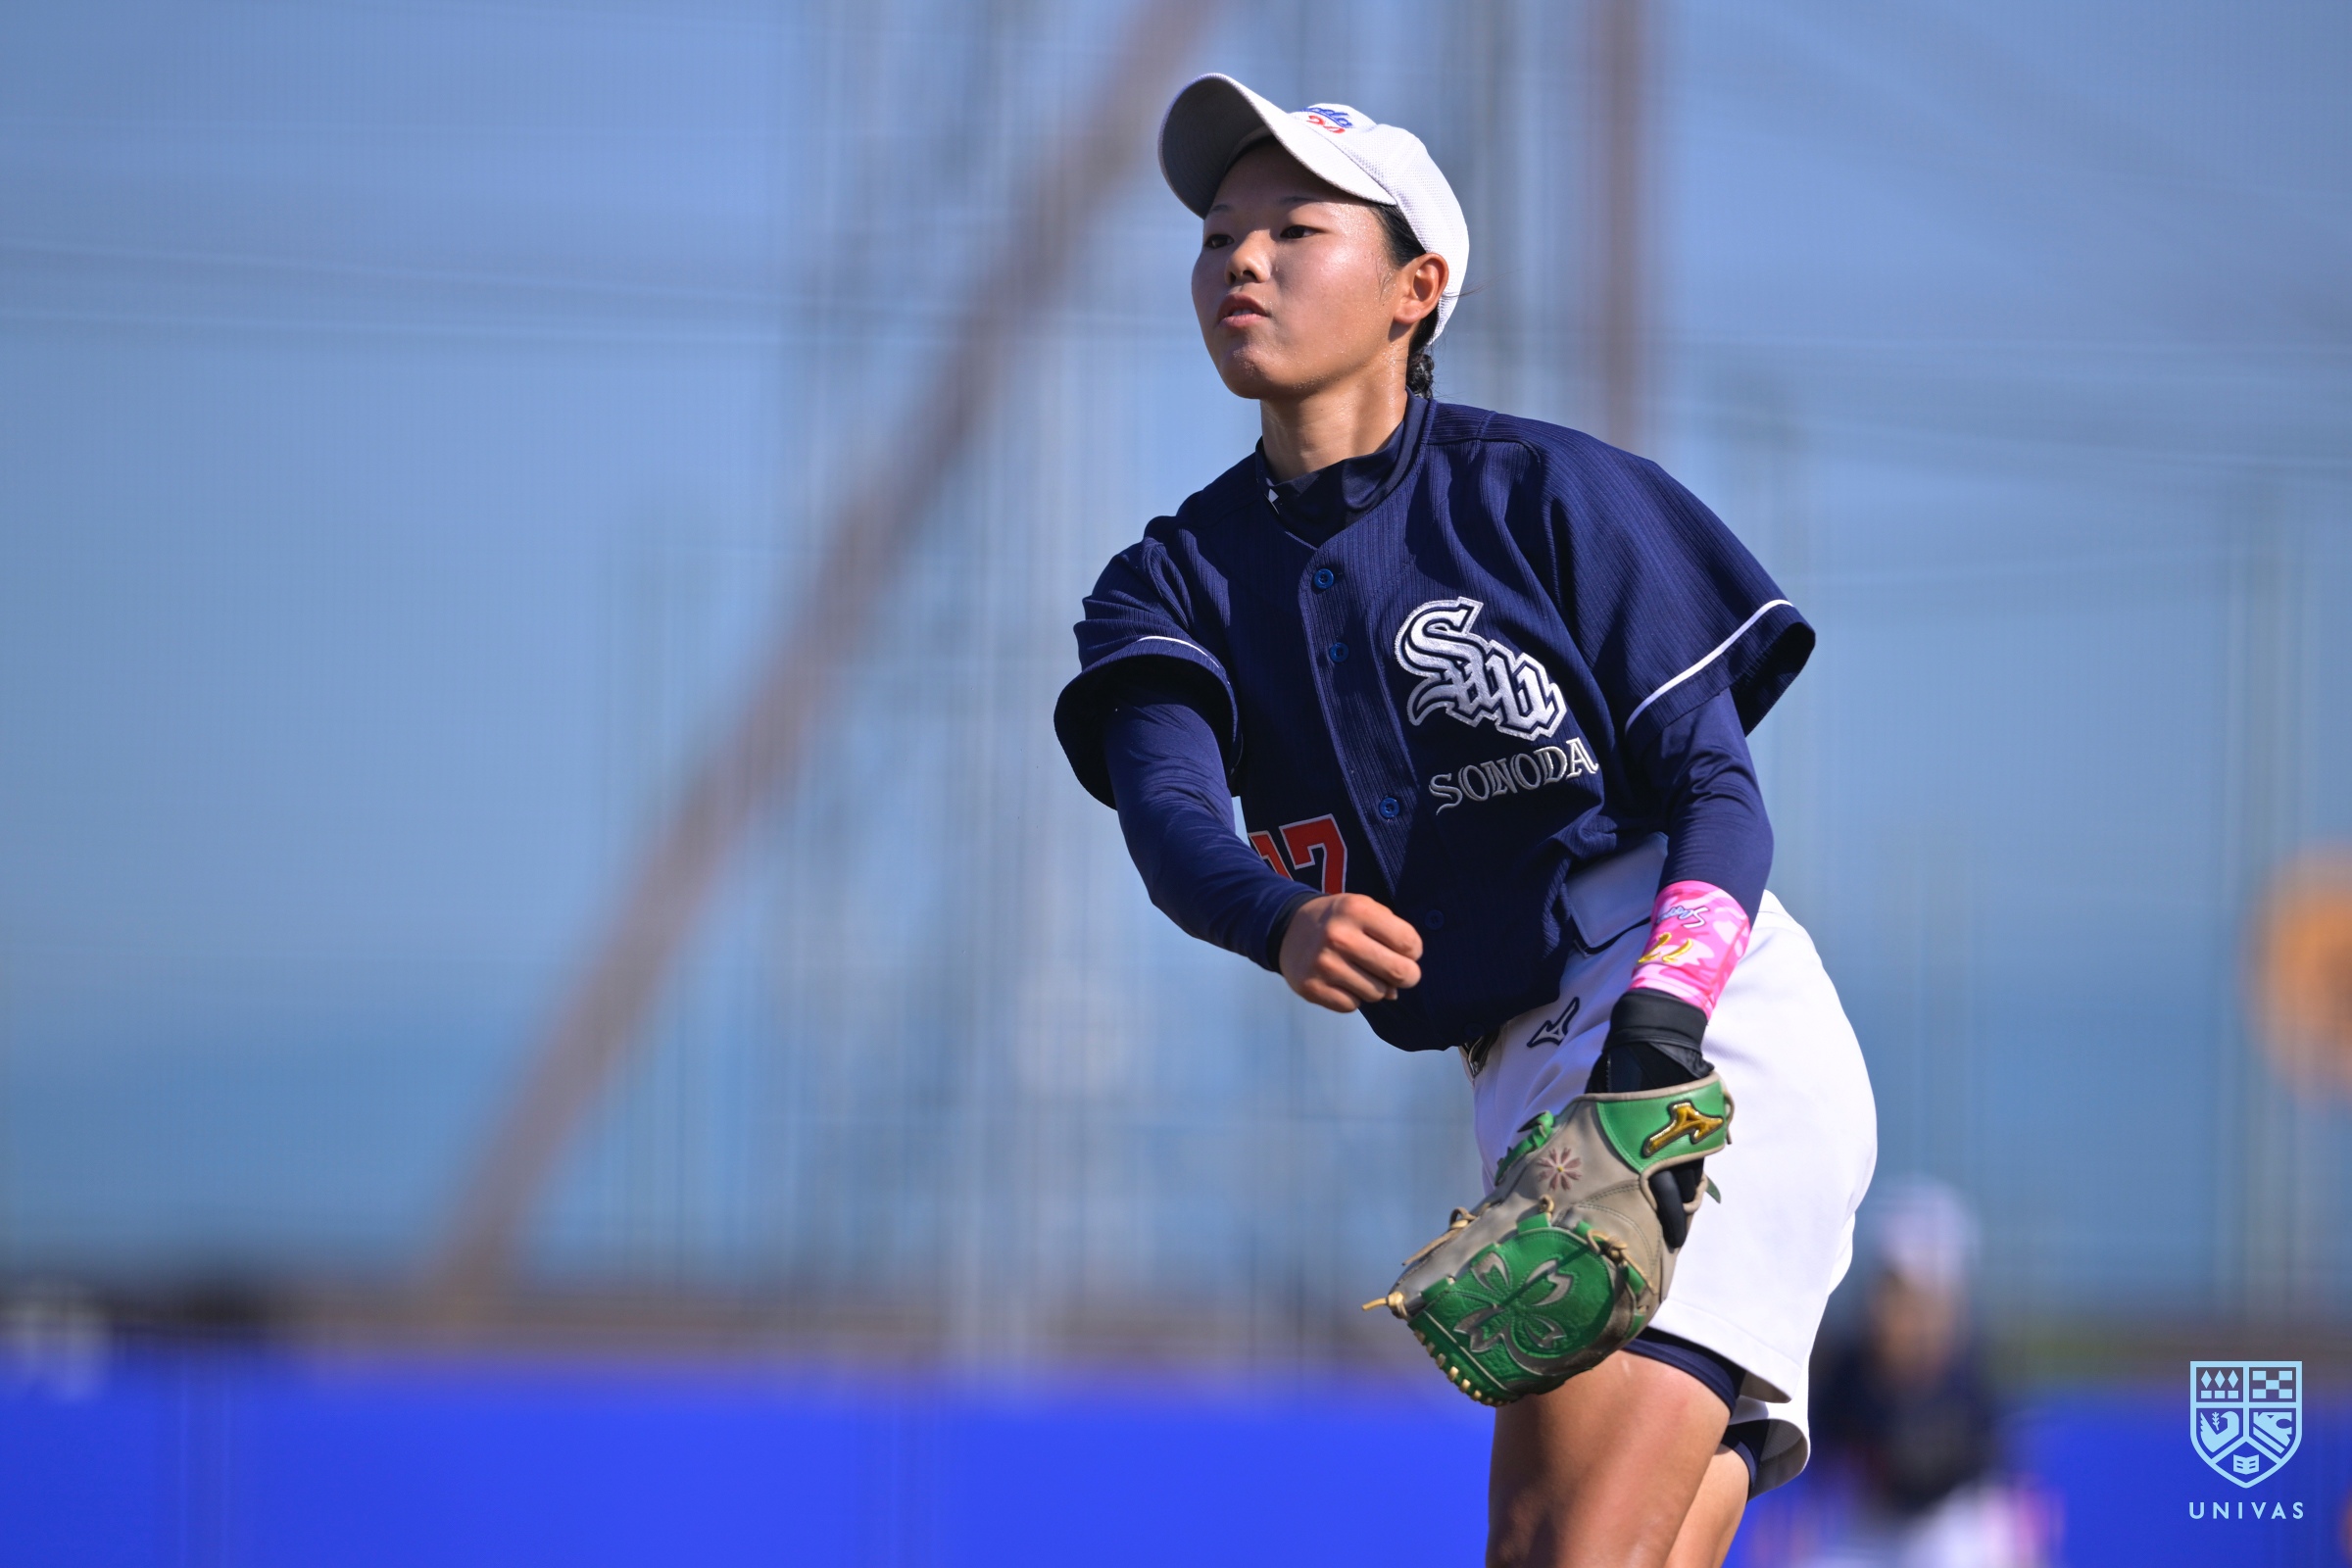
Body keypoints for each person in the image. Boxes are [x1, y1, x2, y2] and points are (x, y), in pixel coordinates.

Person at [1053, 75, 1877, 1568]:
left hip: (1694, 1029)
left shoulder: (1549, 496)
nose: (1242, 261)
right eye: (1220, 235)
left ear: (1416, 288)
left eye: (1297, 230)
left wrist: (1660, 1046)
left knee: (1563, 1549)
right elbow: (1169, 810)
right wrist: (1274, 915)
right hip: (1519, 1068)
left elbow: (1718, 796)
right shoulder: (1174, 577)